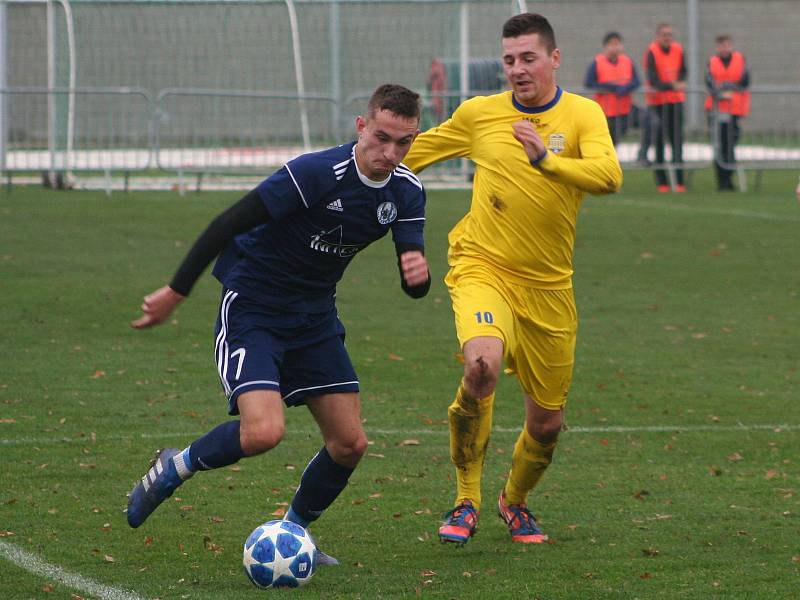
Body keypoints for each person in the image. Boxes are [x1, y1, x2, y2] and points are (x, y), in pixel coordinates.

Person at [125, 84, 431, 561]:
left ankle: (293, 532)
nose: (390, 153)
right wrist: (175, 291)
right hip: (255, 307)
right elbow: (228, 222)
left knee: (350, 443)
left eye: (404, 142)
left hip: (314, 318)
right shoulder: (314, 173)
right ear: (361, 126)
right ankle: (174, 466)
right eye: (381, 137)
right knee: (264, 433)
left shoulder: (406, 191)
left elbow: (414, 276)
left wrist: (418, 277)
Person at [403, 13, 622, 545]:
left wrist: (547, 160)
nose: (517, 69)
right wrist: (343, 171)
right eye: (509, 60)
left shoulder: (583, 113)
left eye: (528, 58)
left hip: (549, 289)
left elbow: (609, 175)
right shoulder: (480, 114)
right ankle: (466, 498)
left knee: (547, 424)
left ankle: (514, 501)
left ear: (554, 59)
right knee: (482, 365)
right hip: (484, 267)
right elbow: (414, 153)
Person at [644, 22, 687, 192]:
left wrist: (675, 85)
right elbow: (653, 80)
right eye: (664, 34)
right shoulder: (652, 52)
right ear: (658, 36)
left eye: (669, 34)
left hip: (676, 102)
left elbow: (683, 71)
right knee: (660, 143)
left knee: (677, 143)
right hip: (658, 103)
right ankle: (662, 182)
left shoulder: (678, 49)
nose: (667, 37)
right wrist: (672, 85)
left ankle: (679, 181)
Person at [704, 34, 750, 191]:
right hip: (716, 110)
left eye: (727, 45)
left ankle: (728, 178)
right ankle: (722, 181)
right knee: (720, 145)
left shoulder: (740, 60)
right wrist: (722, 92)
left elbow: (744, 82)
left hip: (734, 109)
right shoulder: (712, 62)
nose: (724, 48)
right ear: (717, 47)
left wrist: (726, 86)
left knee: (731, 144)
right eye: (721, 45)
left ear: (731, 46)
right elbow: (710, 84)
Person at [584, 31, 641, 146]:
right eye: (612, 44)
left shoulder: (627, 61)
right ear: (605, 47)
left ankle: (642, 156)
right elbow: (589, 83)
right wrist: (613, 88)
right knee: (610, 142)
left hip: (626, 109)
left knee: (652, 122)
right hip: (607, 111)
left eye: (618, 44)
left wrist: (626, 88)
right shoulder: (597, 62)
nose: (615, 47)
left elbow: (637, 81)